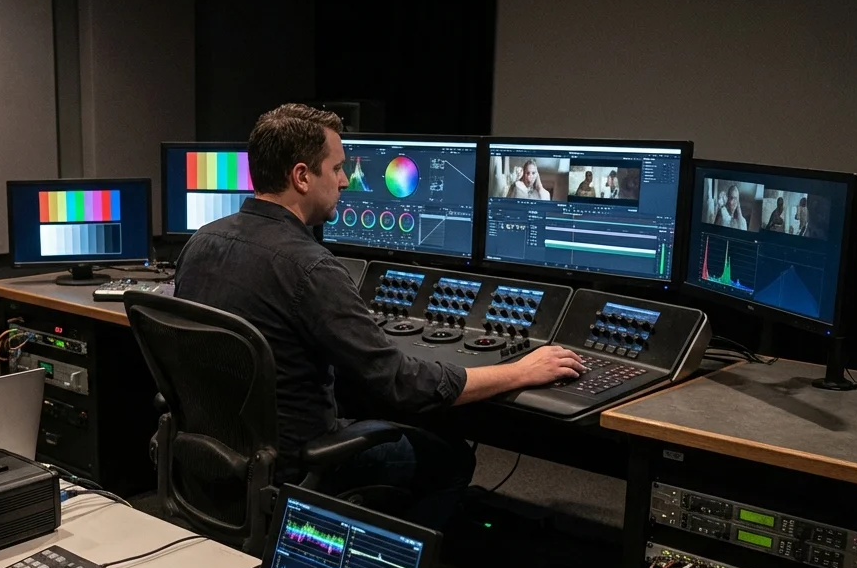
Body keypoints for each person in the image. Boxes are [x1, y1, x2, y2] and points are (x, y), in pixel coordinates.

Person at [173, 104, 586, 530]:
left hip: (219, 452)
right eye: (336, 168)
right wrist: (518, 372)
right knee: (451, 458)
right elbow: (400, 384)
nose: (345, 180)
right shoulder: (311, 268)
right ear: (301, 176)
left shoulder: (201, 244)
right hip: (295, 463)